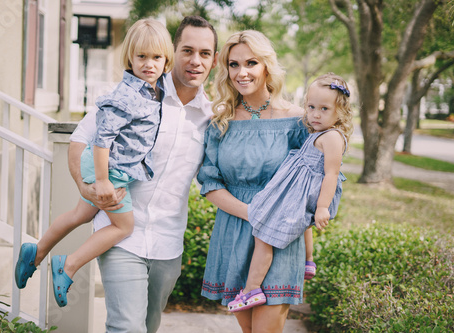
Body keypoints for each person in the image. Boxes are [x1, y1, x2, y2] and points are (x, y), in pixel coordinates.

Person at [67, 16, 218, 332]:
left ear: (214, 59)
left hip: (168, 242)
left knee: (148, 326)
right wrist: (87, 185)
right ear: (172, 52)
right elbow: (81, 138)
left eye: (205, 53)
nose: (195, 60)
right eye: (187, 50)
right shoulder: (135, 94)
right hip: (121, 233)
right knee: (126, 327)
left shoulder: (212, 117)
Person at [14, 19, 174, 308]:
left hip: (107, 167)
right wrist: (103, 181)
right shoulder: (127, 96)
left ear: (166, 60)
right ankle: (69, 265)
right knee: (124, 227)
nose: (149, 64)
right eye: (141, 57)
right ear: (130, 58)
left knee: (80, 214)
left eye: (157, 57)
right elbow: (102, 140)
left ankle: (35, 251)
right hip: (107, 168)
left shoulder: (154, 88)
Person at [196, 30, 309, 333]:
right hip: (233, 232)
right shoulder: (221, 122)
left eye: (251, 63)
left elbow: (313, 182)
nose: (241, 73)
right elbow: (209, 182)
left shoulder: (297, 121)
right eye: (233, 64)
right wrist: (252, 213)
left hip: (278, 237)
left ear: (266, 66)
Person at [228, 73, 353, 313]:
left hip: (304, 194)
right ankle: (308, 262)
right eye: (311, 107)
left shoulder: (333, 137)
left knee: (263, 233)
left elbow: (331, 175)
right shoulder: (319, 132)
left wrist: (322, 207)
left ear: (341, 112)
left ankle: (251, 289)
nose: (315, 114)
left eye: (324, 108)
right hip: (297, 193)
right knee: (301, 227)